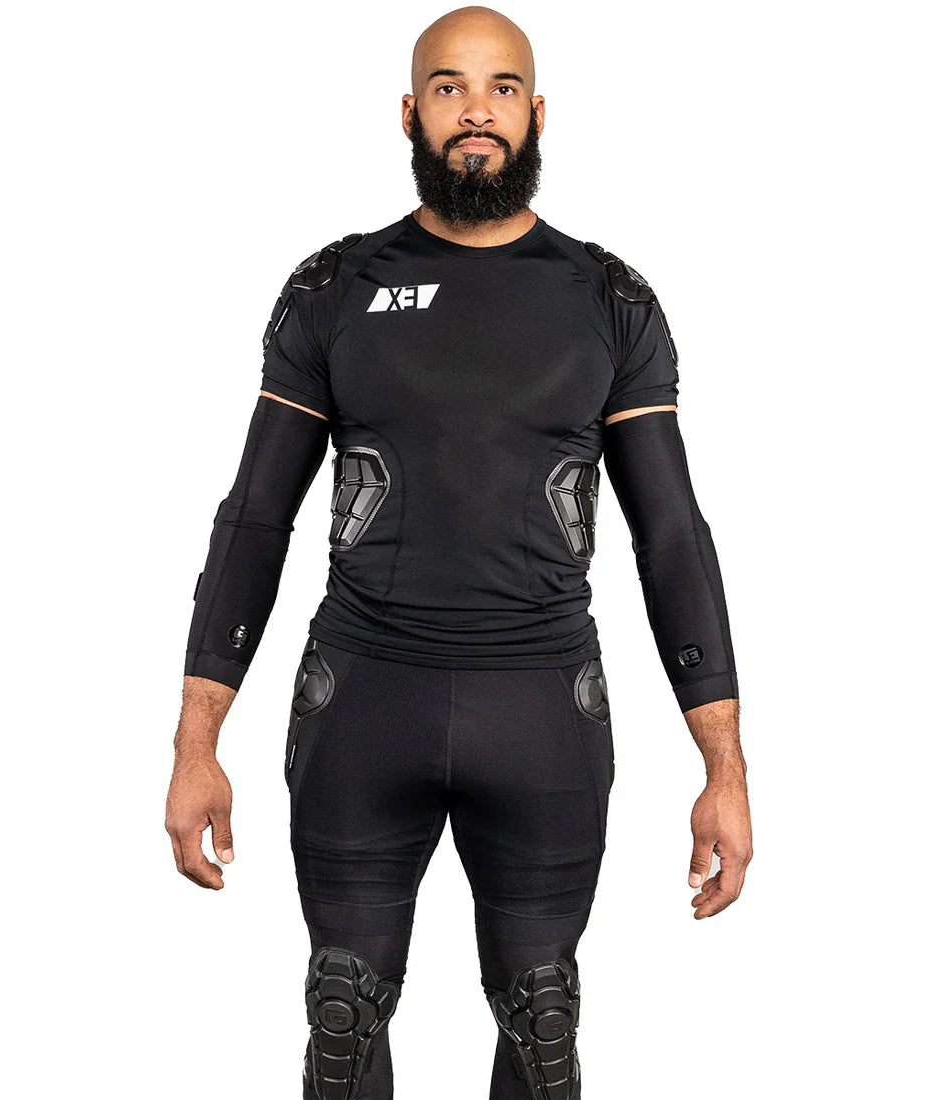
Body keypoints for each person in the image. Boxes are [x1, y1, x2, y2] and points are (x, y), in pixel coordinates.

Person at [165, 7, 752, 1098]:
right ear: (409, 112)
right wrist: (197, 740)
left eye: (499, 87)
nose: (475, 109)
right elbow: (253, 518)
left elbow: (671, 534)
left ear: (537, 112)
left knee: (543, 1026)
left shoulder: (609, 301)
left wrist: (723, 766)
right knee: (341, 1021)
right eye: (448, 87)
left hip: (542, 706)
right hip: (361, 697)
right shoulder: (335, 289)